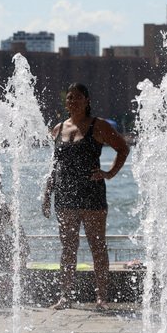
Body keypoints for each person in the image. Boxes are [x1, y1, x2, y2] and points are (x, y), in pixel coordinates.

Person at [42, 84, 129, 310]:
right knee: (68, 248)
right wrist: (46, 193)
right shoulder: (57, 129)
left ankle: (101, 298)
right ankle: (65, 296)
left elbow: (123, 148)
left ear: (87, 100)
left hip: (91, 195)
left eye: (78, 98)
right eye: (70, 98)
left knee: (97, 246)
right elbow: (55, 165)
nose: (73, 102)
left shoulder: (97, 126)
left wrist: (109, 173)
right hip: (64, 195)